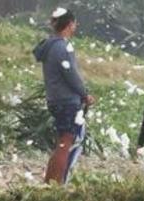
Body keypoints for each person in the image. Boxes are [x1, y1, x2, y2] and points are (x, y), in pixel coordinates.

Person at [34, 7, 95, 184]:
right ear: (69, 25)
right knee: (65, 143)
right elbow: (71, 75)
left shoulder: (50, 45)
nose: (75, 27)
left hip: (54, 99)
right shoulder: (62, 46)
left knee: (61, 143)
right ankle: (55, 184)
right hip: (67, 101)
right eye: (74, 23)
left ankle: (49, 182)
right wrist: (85, 94)